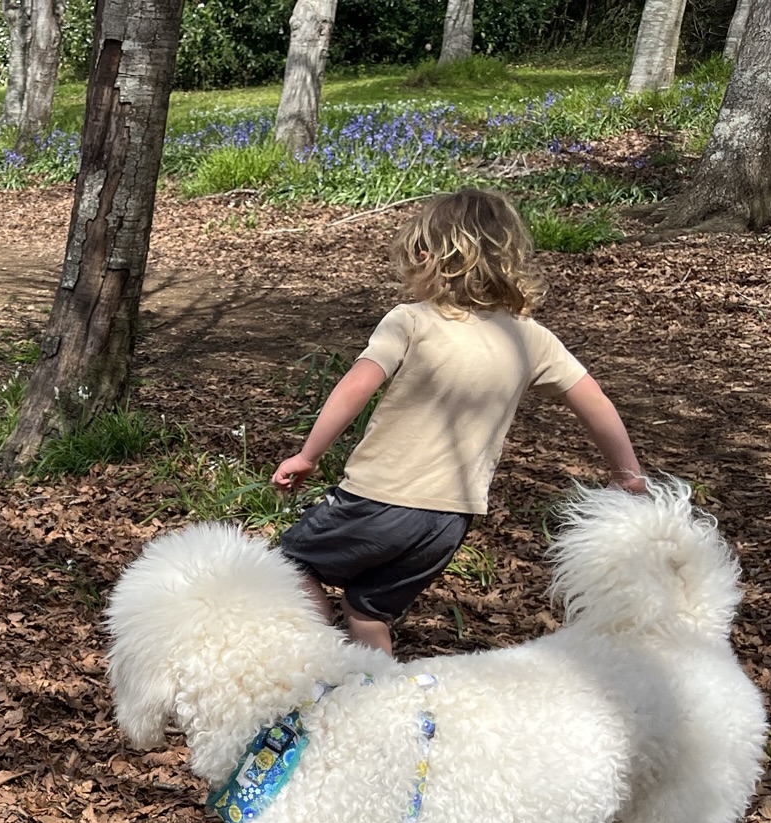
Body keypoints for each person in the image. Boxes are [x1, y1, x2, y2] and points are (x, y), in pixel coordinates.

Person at [271, 187, 647, 655]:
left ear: (428, 256)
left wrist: (308, 455)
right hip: (450, 519)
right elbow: (595, 402)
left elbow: (354, 387)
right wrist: (627, 475)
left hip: (379, 498)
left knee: (287, 567)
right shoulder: (531, 338)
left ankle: (316, 660)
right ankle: (380, 705)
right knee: (368, 612)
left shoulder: (411, 321)